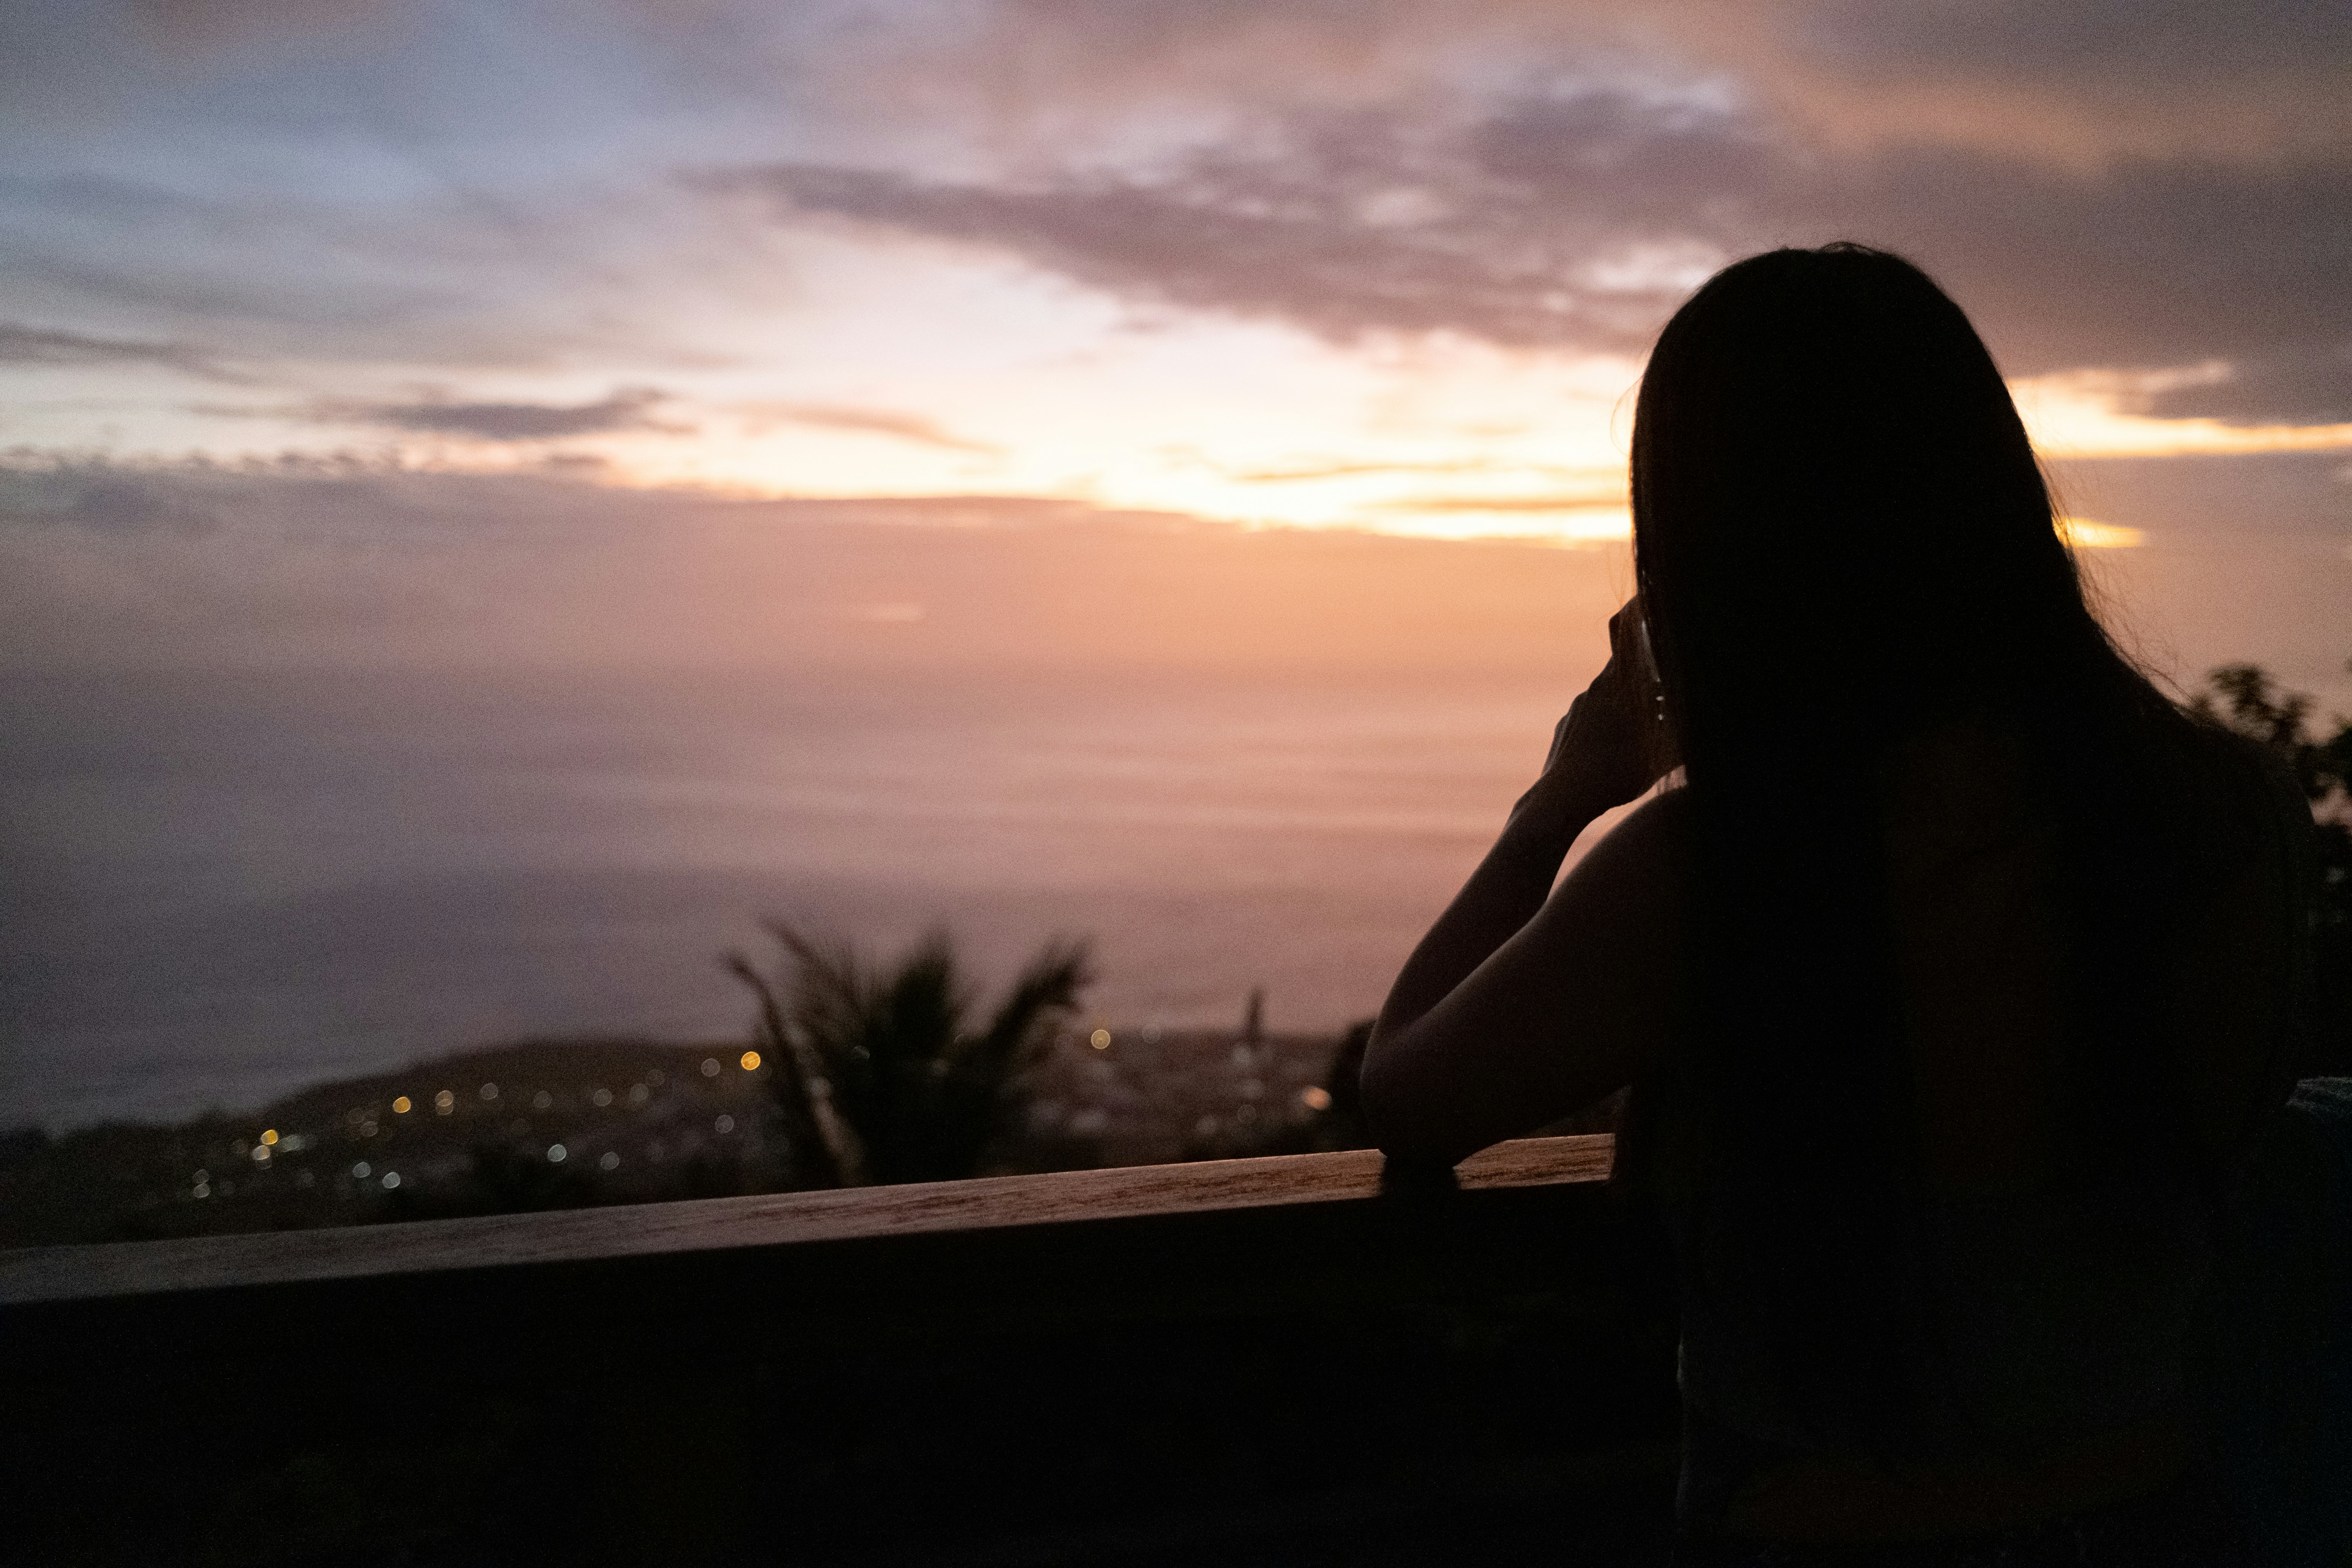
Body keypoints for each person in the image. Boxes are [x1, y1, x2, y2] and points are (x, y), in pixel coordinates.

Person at [1360, 245, 2313, 1565]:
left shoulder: (1717, 868)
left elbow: (1409, 1091)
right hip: (2165, 1513)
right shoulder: (2235, 815)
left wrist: (1562, 799)